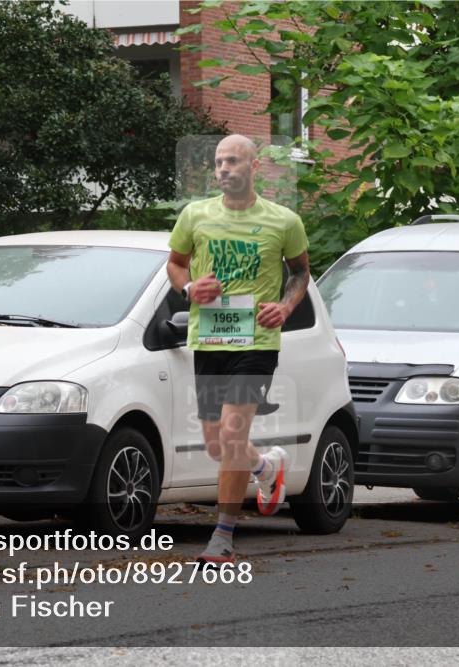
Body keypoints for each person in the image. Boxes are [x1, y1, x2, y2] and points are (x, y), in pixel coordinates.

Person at [167, 134, 311, 564]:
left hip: (257, 342)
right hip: (210, 340)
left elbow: (300, 273)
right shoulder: (195, 215)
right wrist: (190, 286)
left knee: (231, 437)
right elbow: (175, 263)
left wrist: (285, 307)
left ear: (254, 168)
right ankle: (267, 468)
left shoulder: (284, 221)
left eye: (233, 161)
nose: (224, 169)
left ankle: (222, 537)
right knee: (217, 445)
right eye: (218, 162)